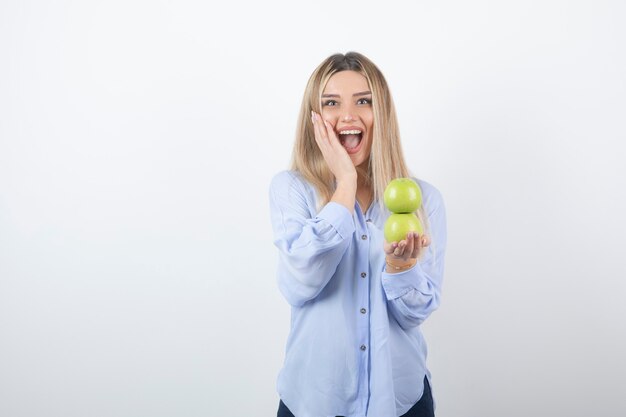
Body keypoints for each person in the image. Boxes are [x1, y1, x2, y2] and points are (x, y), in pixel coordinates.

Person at [269, 51, 447, 417]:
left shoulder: (423, 200)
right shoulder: (291, 189)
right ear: (314, 119)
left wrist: (400, 269)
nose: (348, 115)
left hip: (401, 402)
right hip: (314, 402)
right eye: (331, 103)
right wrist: (345, 182)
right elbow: (300, 282)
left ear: (381, 112)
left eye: (363, 101)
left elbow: (415, 316)